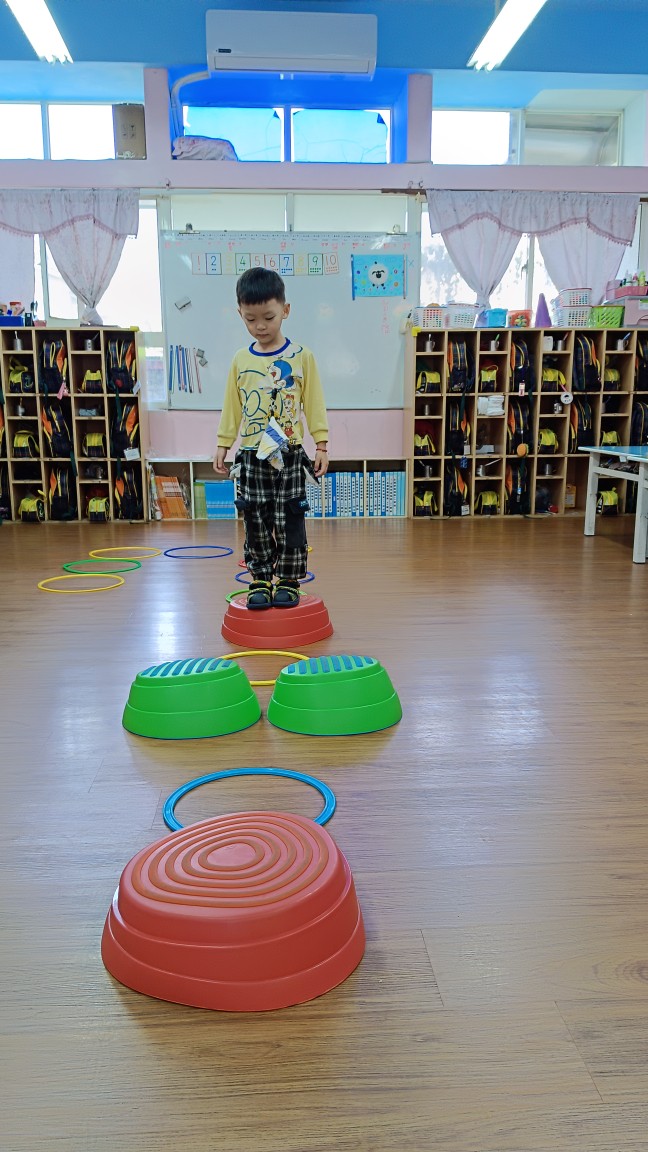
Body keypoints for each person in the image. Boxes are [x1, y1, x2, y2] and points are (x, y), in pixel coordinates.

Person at [213, 266, 329, 609]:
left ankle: (289, 580)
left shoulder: (302, 356)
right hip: (252, 455)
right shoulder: (240, 359)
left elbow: (315, 403)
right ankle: (261, 578)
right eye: (250, 320)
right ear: (240, 314)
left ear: (285, 310)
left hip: (289, 453)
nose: (260, 326)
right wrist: (223, 443)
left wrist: (321, 444)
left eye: (268, 317)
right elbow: (232, 406)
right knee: (256, 518)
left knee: (290, 517)